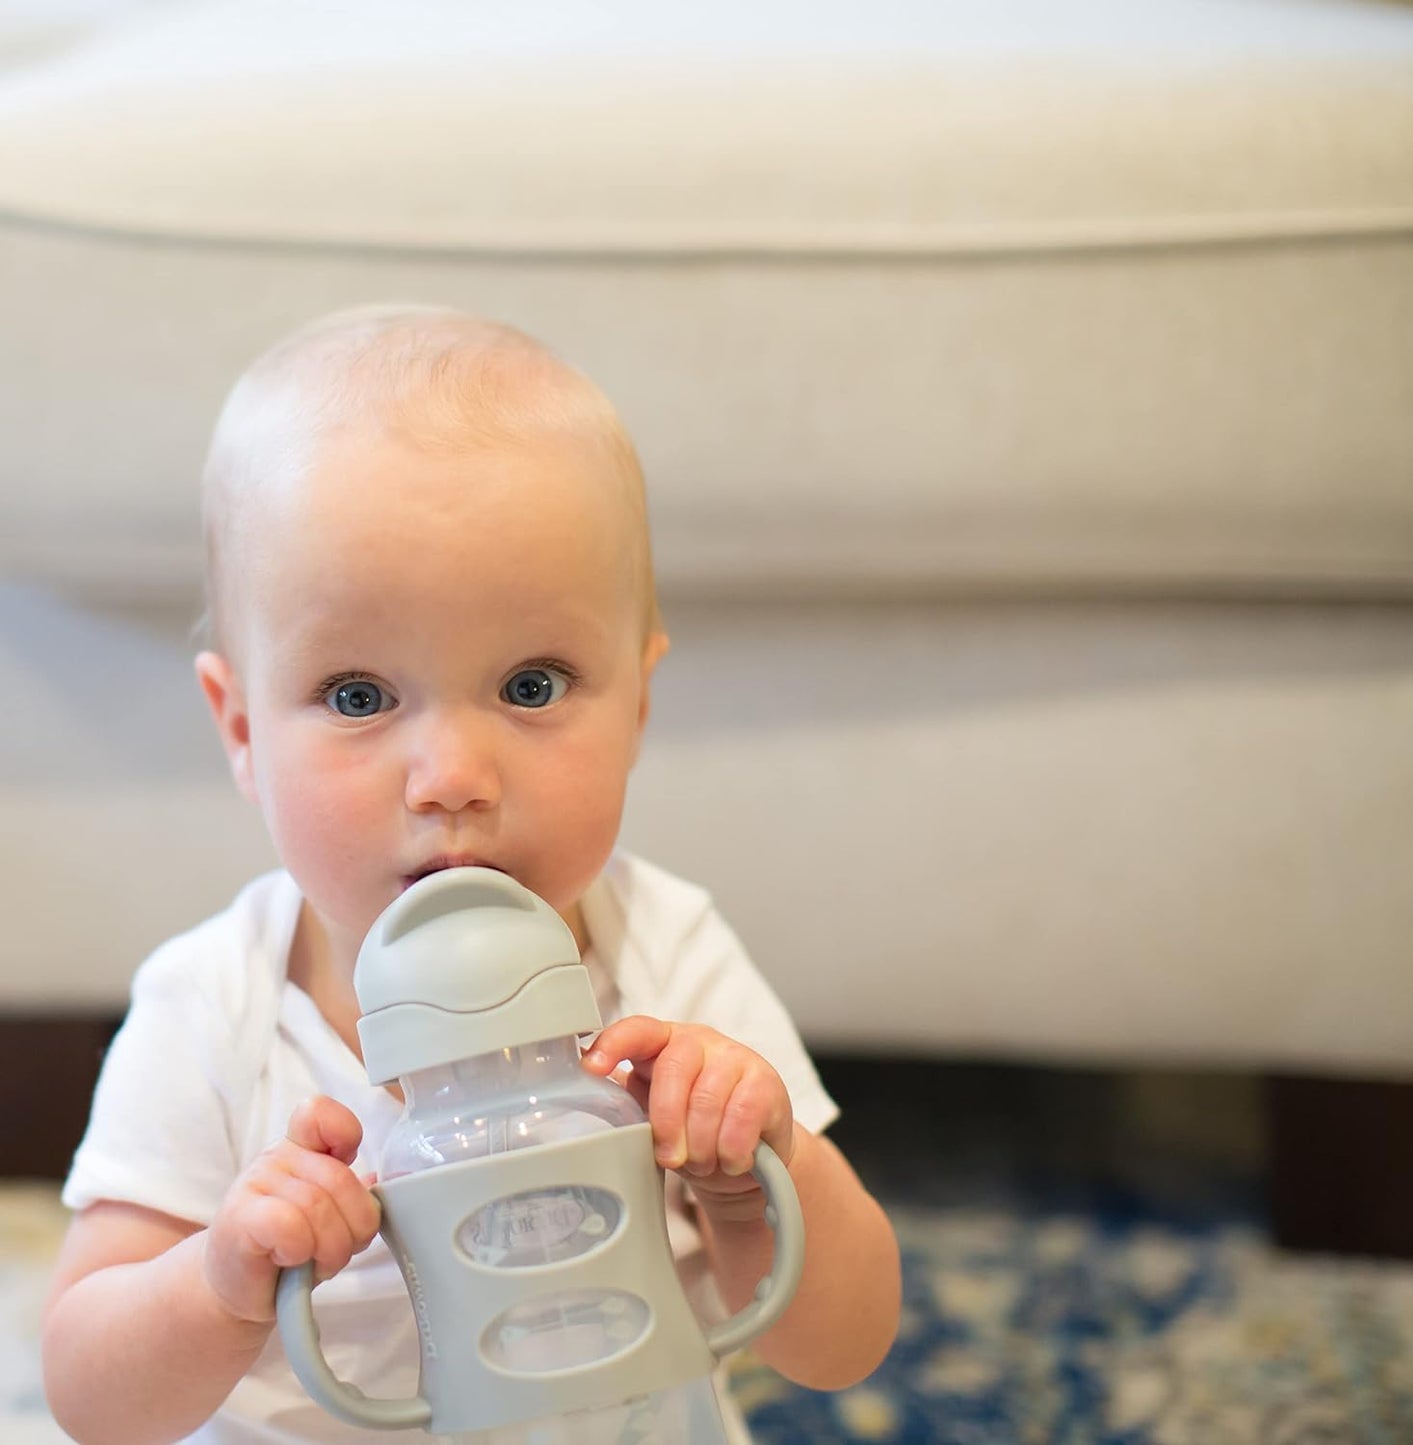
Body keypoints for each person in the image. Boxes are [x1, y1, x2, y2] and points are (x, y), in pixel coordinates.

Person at [41, 305, 901, 1444]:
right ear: (240, 727)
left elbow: (844, 1341)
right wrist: (216, 1277)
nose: (451, 775)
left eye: (533, 685)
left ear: (638, 699)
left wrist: (753, 1178)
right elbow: (91, 1398)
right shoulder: (214, 1003)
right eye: (358, 696)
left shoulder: (666, 953)